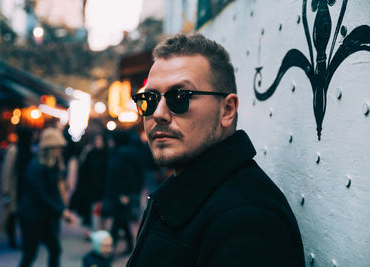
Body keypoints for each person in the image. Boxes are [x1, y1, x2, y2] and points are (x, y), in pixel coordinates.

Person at [127, 33, 305, 267]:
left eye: (180, 96)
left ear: (227, 110)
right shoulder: (188, 193)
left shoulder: (246, 221)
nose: (158, 114)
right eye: (148, 99)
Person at [17, 127, 76, 267]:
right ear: (50, 148)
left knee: (54, 250)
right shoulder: (36, 167)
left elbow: (54, 192)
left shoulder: (51, 166)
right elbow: (41, 196)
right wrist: (61, 211)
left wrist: (62, 209)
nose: (61, 151)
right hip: (32, 218)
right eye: (58, 147)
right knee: (30, 254)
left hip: (44, 217)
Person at [0, 126, 33, 248]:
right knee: (11, 215)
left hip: (24, 190)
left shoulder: (28, 150)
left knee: (22, 216)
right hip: (14, 190)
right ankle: (12, 239)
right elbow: (7, 172)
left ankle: (23, 239)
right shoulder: (14, 150)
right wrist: (6, 191)